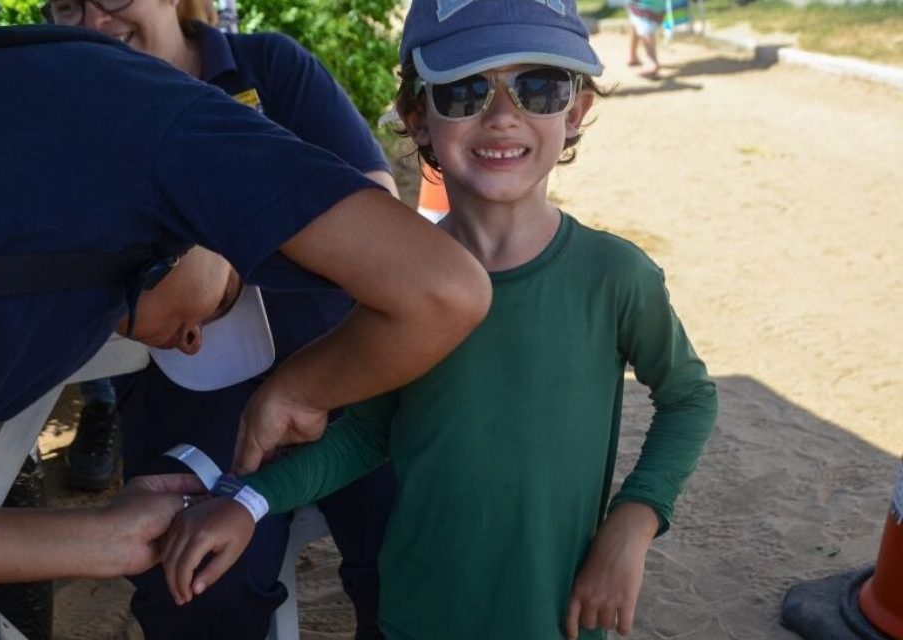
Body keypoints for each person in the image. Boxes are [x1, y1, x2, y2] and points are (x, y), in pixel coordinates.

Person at [0, 14, 493, 640]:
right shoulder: (161, 116)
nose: (189, 338)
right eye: (220, 305)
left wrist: (99, 540)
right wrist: (299, 388)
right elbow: (443, 290)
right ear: (201, 219)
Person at [159, 0, 719, 639]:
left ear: (577, 110)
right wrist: (250, 502)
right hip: (417, 614)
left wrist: (633, 523)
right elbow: (367, 435)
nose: (503, 115)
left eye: (538, 86)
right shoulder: (402, 294)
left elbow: (690, 398)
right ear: (416, 119)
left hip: (557, 616)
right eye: (464, 90)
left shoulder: (616, 277)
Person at [44, 0, 401, 636]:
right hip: (189, 396)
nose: (96, 22)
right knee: (196, 585)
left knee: (410, 545)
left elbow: (380, 203)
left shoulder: (269, 67)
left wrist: (225, 239)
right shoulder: (69, 107)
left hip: (340, 374)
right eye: (67, 5)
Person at [626, 0, 665, 78]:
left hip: (644, 7)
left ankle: (652, 62)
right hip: (652, 6)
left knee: (645, 30)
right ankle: (633, 56)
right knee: (634, 23)